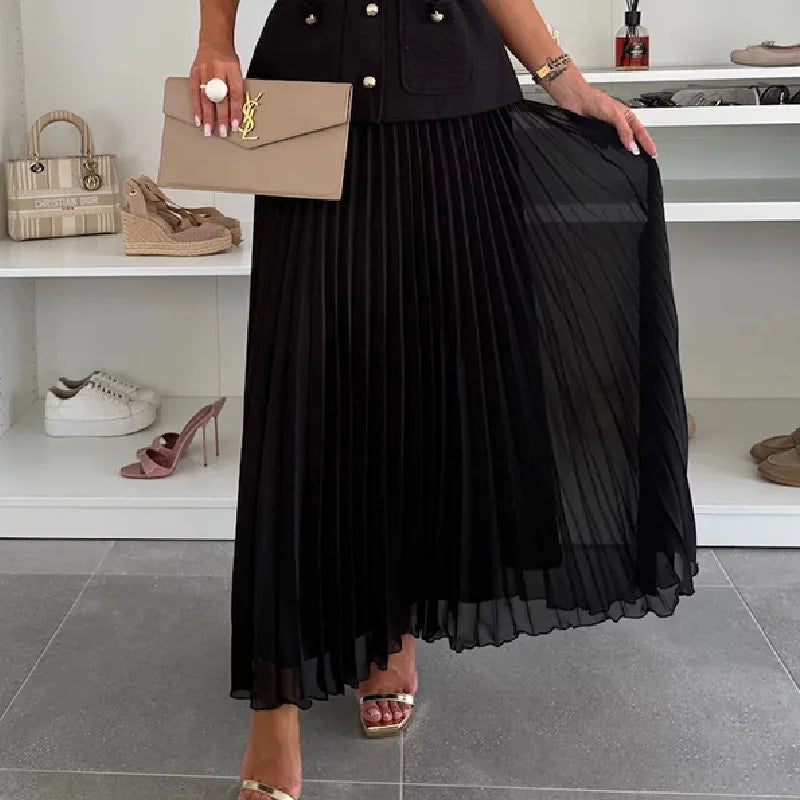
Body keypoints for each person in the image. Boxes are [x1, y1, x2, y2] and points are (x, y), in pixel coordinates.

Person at [190, 0, 698, 797]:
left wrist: (564, 81)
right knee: (302, 400)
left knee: (430, 383)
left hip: (459, 115)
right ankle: (275, 704)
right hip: (306, 104)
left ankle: (390, 629)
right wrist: (213, 42)